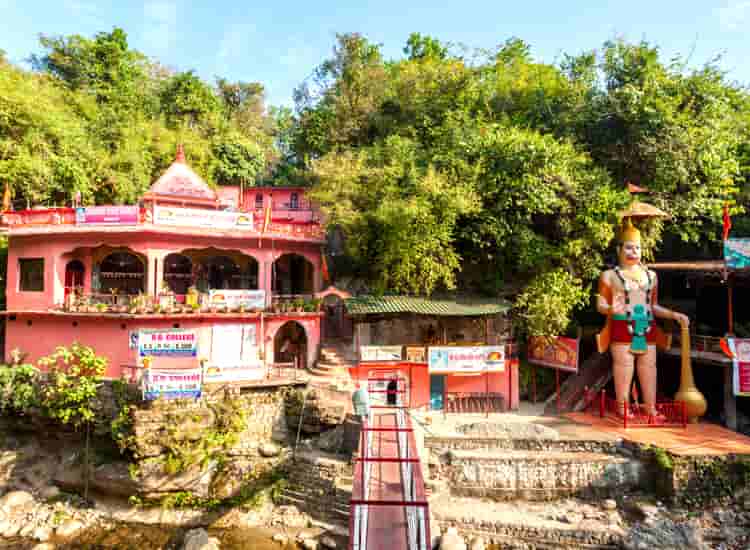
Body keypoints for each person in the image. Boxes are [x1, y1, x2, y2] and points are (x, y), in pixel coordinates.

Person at [596, 219, 689, 418]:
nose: (633, 252)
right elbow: (600, 305)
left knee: (649, 368)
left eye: (637, 247)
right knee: (624, 366)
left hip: (647, 326)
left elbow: (653, 306)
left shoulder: (652, 276)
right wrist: (611, 309)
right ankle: (622, 407)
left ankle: (650, 407)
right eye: (629, 247)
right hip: (622, 326)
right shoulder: (609, 276)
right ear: (619, 249)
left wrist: (674, 315)